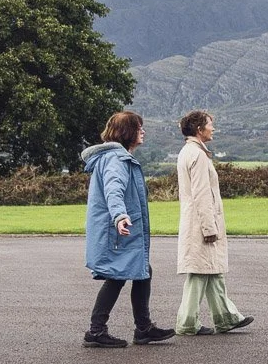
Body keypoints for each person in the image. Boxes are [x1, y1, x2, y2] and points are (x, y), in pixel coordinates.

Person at [81, 111, 173, 347]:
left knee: (141, 270)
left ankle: (143, 328)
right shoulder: (116, 159)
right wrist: (120, 216)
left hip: (117, 228)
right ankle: (97, 331)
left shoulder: (116, 157)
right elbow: (114, 189)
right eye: (139, 128)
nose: (143, 131)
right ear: (127, 132)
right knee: (118, 274)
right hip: (117, 230)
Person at [174, 110, 252, 335]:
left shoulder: (189, 151)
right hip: (201, 222)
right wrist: (209, 228)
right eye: (210, 124)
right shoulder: (197, 155)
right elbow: (201, 194)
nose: (213, 128)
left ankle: (226, 317)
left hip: (196, 220)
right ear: (199, 129)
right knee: (199, 272)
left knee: (212, 270)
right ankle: (187, 323)